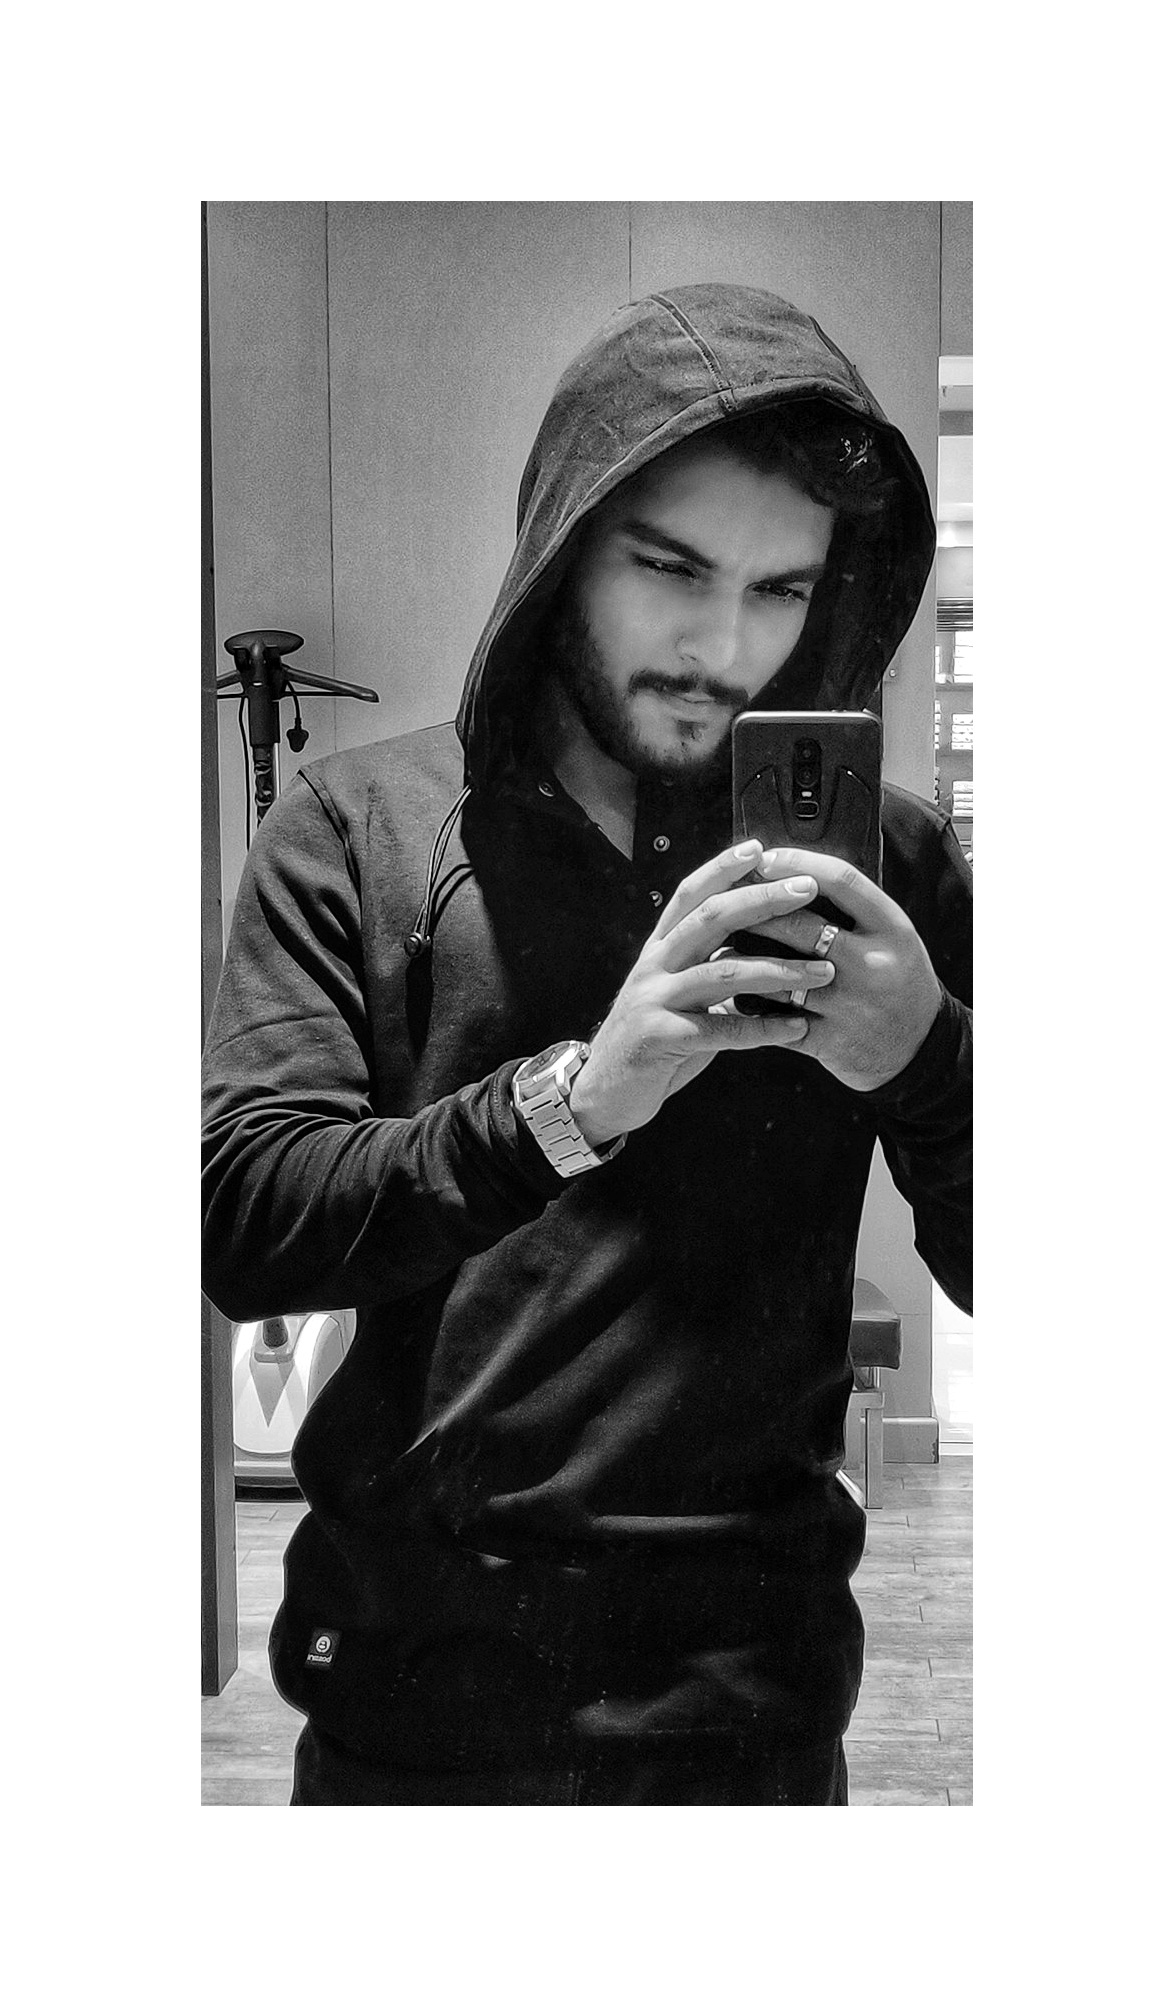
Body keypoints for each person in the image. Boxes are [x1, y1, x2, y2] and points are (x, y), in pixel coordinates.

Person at [202, 282, 971, 1805]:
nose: (721, 646)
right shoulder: (357, 829)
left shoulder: (884, 868)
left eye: (780, 589)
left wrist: (925, 1054)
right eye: (668, 567)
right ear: (563, 551)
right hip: (410, 1695)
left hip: (747, 1705)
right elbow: (244, 1221)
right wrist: (574, 1100)